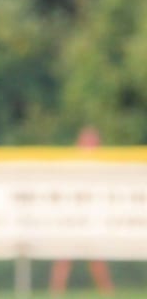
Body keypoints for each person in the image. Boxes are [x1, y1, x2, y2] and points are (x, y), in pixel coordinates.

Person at [48, 126, 115, 296]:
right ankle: (56, 294)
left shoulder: (104, 166)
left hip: (93, 219)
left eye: (93, 143)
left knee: (97, 260)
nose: (90, 146)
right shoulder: (70, 165)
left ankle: (108, 294)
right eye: (87, 142)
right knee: (64, 258)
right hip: (71, 218)